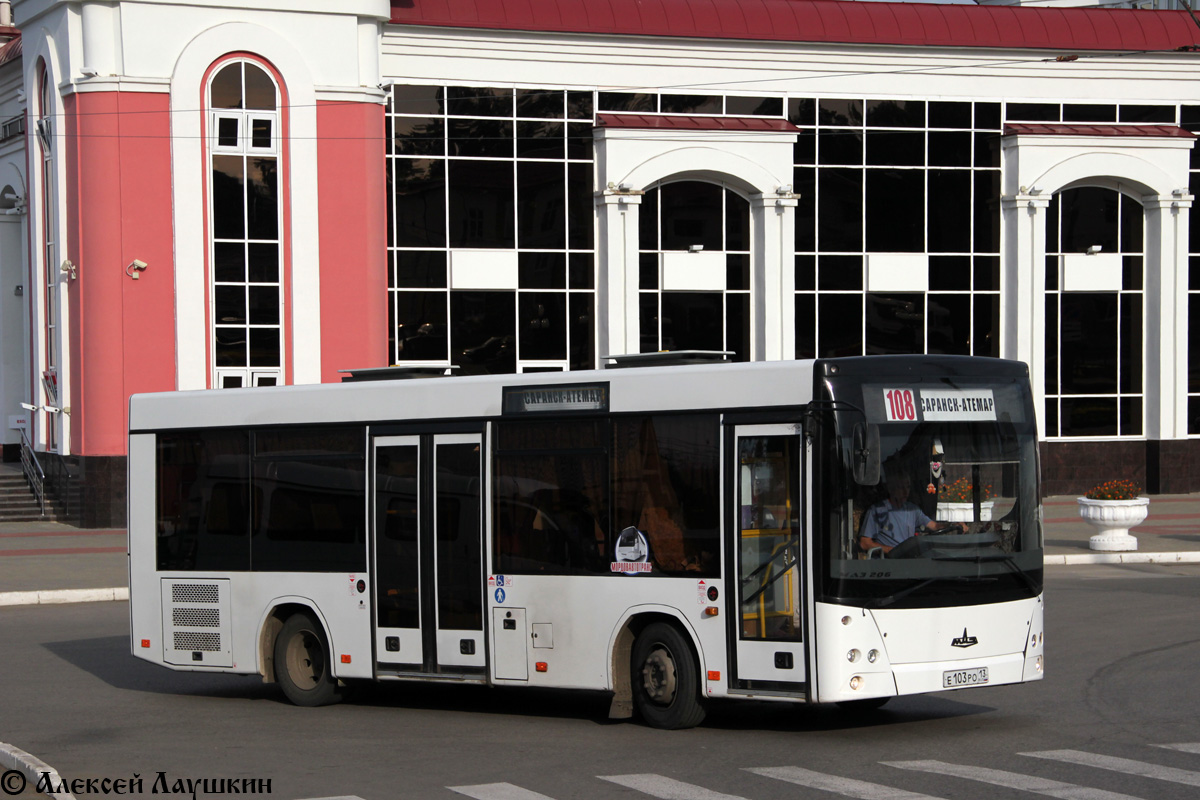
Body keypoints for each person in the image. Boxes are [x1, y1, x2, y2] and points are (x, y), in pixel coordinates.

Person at [858, 471, 959, 556]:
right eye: (901, 487)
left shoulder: (913, 510)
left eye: (908, 487)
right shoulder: (877, 511)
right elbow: (864, 543)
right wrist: (891, 551)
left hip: (909, 561)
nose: (906, 491)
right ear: (891, 489)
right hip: (888, 563)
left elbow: (935, 526)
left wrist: (953, 524)